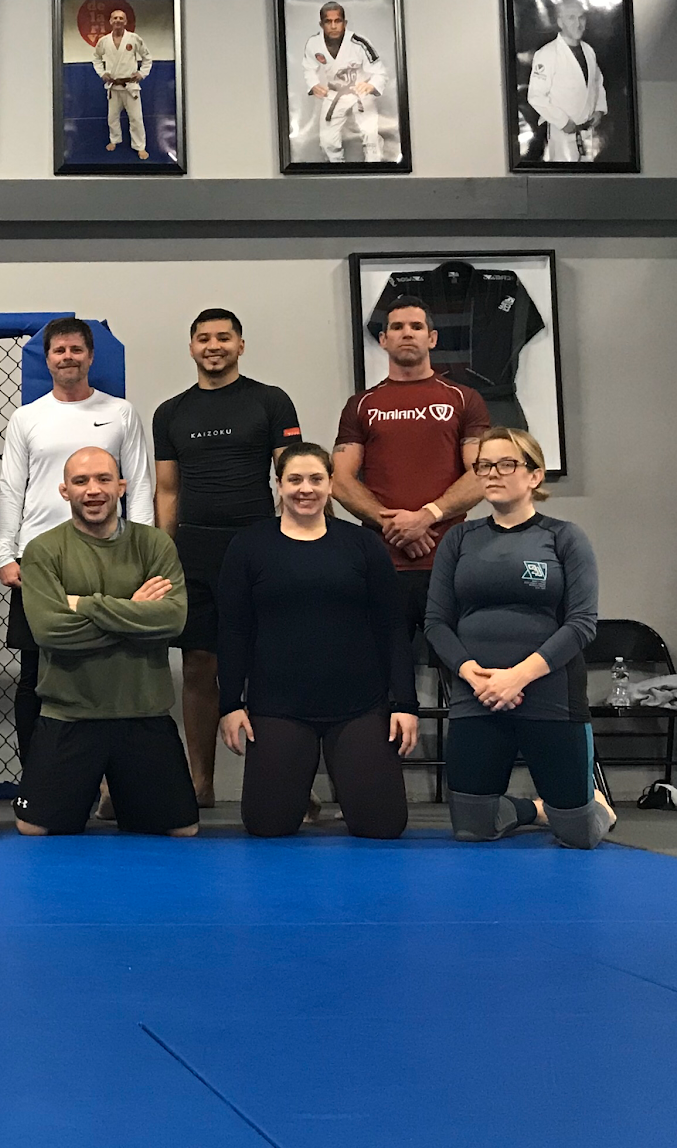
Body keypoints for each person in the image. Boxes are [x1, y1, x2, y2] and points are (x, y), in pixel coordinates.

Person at [215, 443, 416, 840]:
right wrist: (230, 705)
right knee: (267, 826)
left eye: (315, 479)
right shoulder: (249, 546)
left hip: (359, 706)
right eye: (294, 480)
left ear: (330, 485)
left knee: (383, 826)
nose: (305, 489)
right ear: (278, 485)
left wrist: (405, 704)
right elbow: (233, 630)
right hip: (279, 707)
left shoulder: (363, 545)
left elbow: (393, 627)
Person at [427, 427, 611, 849]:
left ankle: (592, 807)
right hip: (477, 694)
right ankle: (534, 811)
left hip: (551, 696)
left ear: (534, 475)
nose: (493, 473)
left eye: (506, 464)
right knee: (471, 830)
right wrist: (473, 675)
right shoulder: (459, 539)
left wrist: (516, 677)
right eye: (484, 465)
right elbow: (436, 622)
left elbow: (582, 623)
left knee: (578, 836)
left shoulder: (564, 537)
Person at [151, 308, 301, 806]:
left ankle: (283, 780)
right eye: (203, 338)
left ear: (240, 345)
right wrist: (166, 552)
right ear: (191, 347)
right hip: (194, 553)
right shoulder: (170, 412)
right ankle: (201, 783)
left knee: (267, 665)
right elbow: (168, 491)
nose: (213, 346)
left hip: (257, 548)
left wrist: (292, 542)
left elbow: (292, 476)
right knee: (199, 664)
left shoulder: (270, 400)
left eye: (223, 337)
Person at [0, 316, 153, 775]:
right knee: (35, 673)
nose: (67, 357)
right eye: (59, 350)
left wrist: (142, 550)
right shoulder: (27, 418)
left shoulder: (120, 413)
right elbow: (11, 489)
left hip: (110, 555)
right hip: (39, 561)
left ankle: (111, 782)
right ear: (47, 359)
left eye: (76, 349)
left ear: (90, 356)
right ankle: (37, 779)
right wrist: (6, 554)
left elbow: (140, 483)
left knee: (112, 661)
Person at [14, 447, 196, 837]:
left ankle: (120, 790)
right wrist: (135, 613)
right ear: (65, 491)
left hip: (143, 712)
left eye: (103, 479)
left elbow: (173, 619)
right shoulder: (42, 550)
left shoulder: (155, 545)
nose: (93, 490)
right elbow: (50, 631)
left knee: (182, 831)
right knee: (33, 828)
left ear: (121, 486)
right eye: (81, 481)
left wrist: (85, 605)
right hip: (69, 715)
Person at [332, 296, 488, 683]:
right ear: (383, 340)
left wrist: (426, 517)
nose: (407, 333)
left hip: (449, 564)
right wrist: (393, 526)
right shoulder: (361, 405)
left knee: (465, 677)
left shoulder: (463, 399)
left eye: (416, 327)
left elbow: (482, 474)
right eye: (397, 327)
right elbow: (340, 481)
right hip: (382, 566)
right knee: (381, 681)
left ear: (432, 338)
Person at [300, 1, 389, 164]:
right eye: (328, 22)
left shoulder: (359, 43)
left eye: (338, 21)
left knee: (371, 139)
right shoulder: (314, 44)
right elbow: (308, 68)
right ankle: (337, 170)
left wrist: (371, 85)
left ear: (345, 23)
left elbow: (380, 72)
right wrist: (313, 84)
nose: (333, 26)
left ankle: (374, 166)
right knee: (327, 142)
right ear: (321, 24)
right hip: (334, 93)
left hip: (360, 93)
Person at [526, 0, 607, 164]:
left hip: (587, 132)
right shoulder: (547, 54)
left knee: (589, 175)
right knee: (563, 175)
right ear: (560, 22)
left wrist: (599, 110)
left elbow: (597, 83)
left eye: (581, 17)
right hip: (561, 133)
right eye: (571, 18)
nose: (578, 24)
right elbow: (536, 96)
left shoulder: (588, 51)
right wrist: (563, 122)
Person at [92, 6, 151, 159]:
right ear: (110, 21)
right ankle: (114, 140)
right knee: (112, 117)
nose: (118, 20)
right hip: (113, 86)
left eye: (121, 18)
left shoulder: (134, 38)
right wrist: (102, 73)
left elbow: (147, 57)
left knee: (136, 118)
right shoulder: (104, 41)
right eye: (115, 18)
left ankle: (140, 146)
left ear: (125, 22)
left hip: (130, 86)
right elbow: (96, 58)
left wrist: (142, 73)